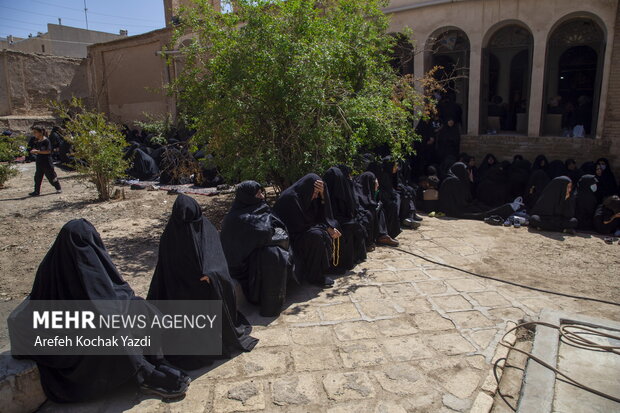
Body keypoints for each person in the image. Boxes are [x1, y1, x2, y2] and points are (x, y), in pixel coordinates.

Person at [8, 219, 189, 402]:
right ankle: (146, 376)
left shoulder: (89, 258)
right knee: (113, 333)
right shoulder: (54, 267)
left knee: (142, 309)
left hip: (91, 316)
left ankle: (156, 360)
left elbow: (112, 290)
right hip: (66, 328)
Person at [147, 194, 258, 369]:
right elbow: (166, 268)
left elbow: (217, 259)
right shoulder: (170, 235)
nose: (188, 226)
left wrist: (211, 276)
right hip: (179, 287)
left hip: (205, 285)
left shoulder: (206, 229)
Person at [220, 181, 293, 317]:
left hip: (259, 254)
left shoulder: (261, 208)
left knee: (277, 254)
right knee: (273, 255)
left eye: (261, 192)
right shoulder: (235, 218)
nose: (261, 196)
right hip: (243, 265)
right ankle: (267, 303)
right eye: (257, 193)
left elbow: (277, 227)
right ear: (247, 196)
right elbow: (239, 248)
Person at [272, 174, 341, 288]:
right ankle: (314, 276)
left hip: (303, 229)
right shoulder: (291, 198)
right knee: (317, 236)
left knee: (332, 228)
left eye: (317, 194)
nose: (315, 196)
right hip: (290, 236)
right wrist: (325, 228)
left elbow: (320, 215)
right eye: (314, 193)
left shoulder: (308, 196)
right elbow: (299, 225)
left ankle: (329, 267)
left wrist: (323, 196)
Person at [323, 166, 368, 271]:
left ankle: (353, 258)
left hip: (340, 220)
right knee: (347, 228)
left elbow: (349, 209)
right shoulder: (323, 193)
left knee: (355, 226)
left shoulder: (343, 189)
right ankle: (338, 264)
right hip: (329, 223)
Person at [439, 162, 516, 220]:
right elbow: (461, 202)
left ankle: (508, 209)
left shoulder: (456, 180)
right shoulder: (452, 181)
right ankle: (507, 209)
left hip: (457, 207)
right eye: (466, 170)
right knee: (480, 211)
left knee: (482, 207)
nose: (468, 172)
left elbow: (467, 197)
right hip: (454, 210)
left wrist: (471, 182)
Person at [354, 171, 399, 247]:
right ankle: (380, 236)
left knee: (381, 209)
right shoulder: (358, 190)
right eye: (375, 182)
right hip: (360, 215)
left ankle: (383, 235)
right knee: (372, 211)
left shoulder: (366, 189)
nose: (377, 185)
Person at [28, 126, 62, 196]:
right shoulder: (37, 141)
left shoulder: (46, 141)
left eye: (35, 132)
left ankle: (58, 188)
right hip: (40, 161)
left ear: (40, 133)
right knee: (37, 177)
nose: (34, 134)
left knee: (51, 176)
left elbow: (48, 151)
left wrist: (37, 151)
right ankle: (36, 191)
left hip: (47, 162)